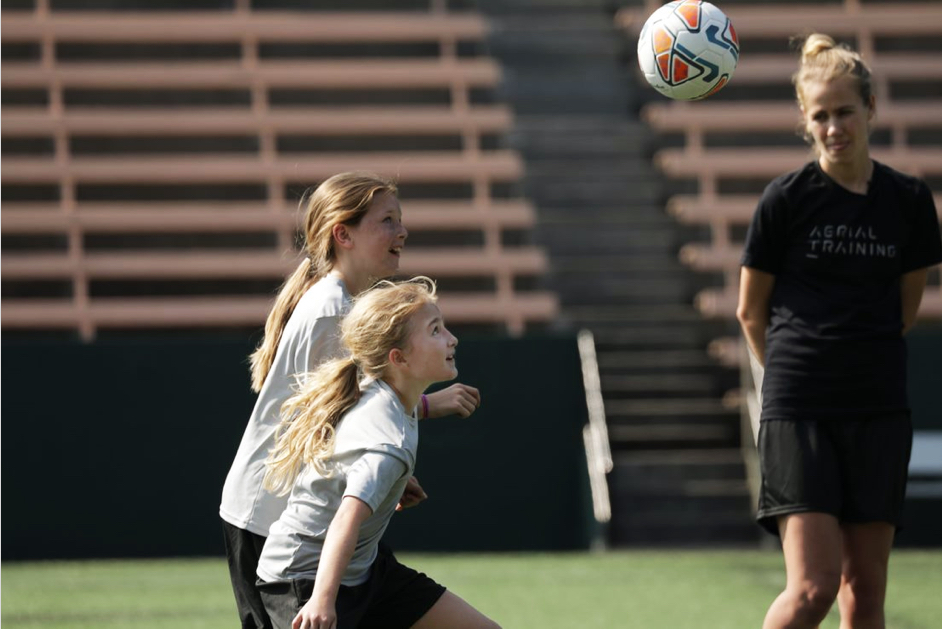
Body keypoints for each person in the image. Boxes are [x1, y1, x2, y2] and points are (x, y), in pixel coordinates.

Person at [737, 34, 942, 629]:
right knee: (813, 589)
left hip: (878, 407)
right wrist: (793, 382)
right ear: (805, 121)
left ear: (871, 109)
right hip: (800, 410)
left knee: (866, 593)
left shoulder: (906, 201)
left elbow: (904, 309)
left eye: (844, 111)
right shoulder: (784, 201)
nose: (834, 127)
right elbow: (752, 313)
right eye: (820, 115)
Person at [220, 172, 482, 629]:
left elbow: (354, 410)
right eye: (386, 221)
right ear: (343, 234)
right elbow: (345, 405)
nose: (401, 232)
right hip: (272, 515)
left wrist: (388, 476)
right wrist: (427, 409)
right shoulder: (332, 309)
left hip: (302, 507)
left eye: (400, 220)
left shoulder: (343, 302)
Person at [257, 278, 500, 629]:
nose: (452, 339)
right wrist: (322, 601)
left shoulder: (384, 393)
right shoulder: (387, 442)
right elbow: (346, 519)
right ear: (398, 358)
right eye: (435, 331)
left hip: (365, 571)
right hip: (306, 578)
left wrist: (394, 484)